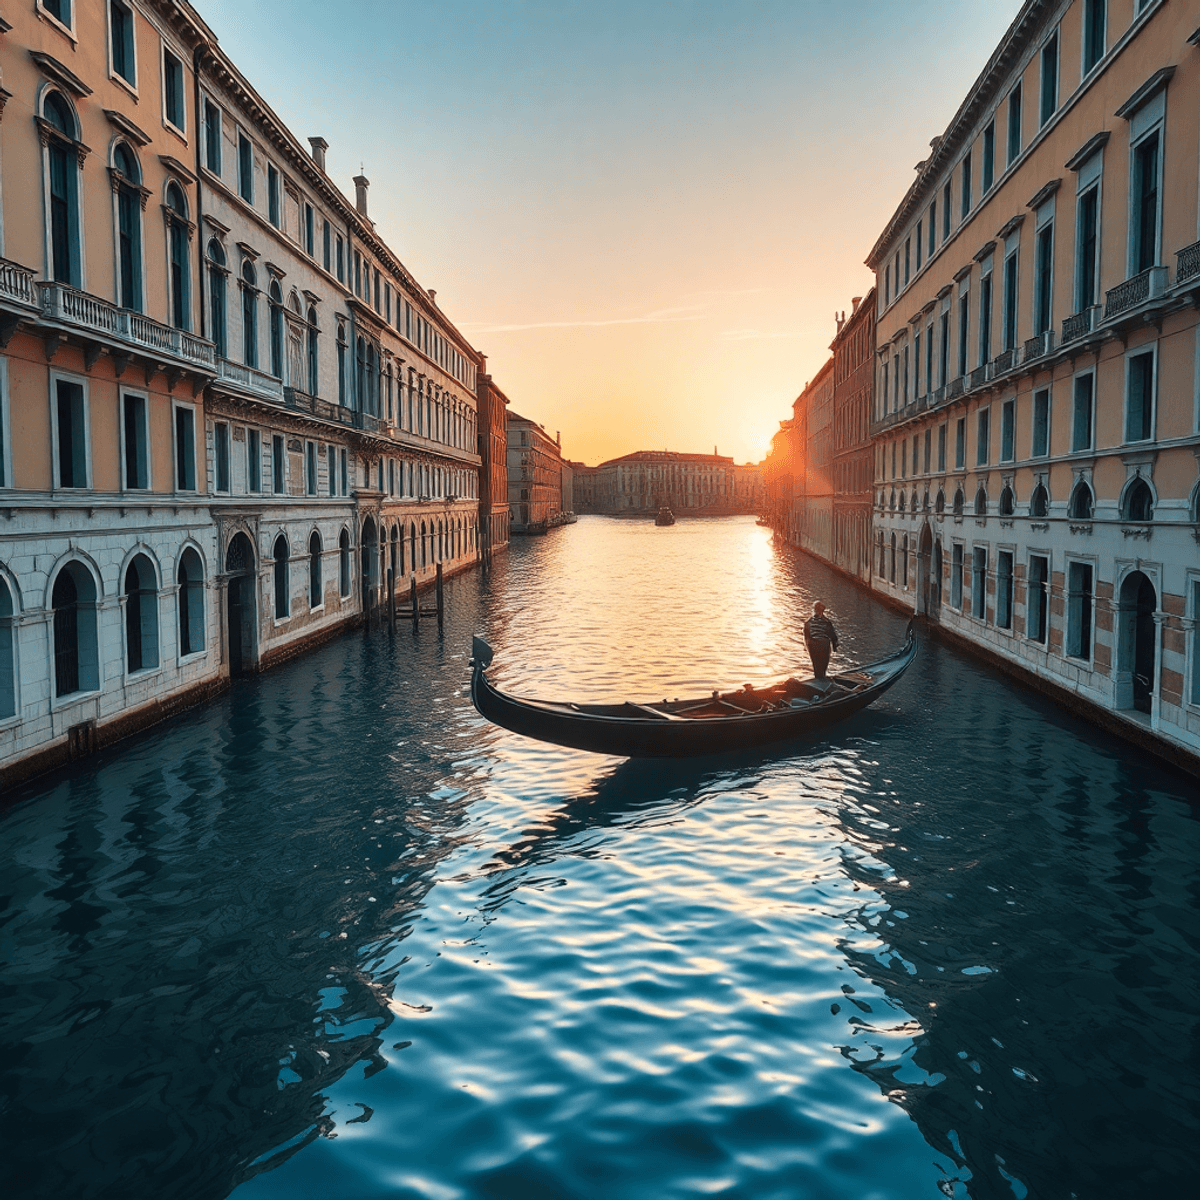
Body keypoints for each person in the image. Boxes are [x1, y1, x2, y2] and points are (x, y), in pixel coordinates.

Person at [803, 602, 839, 680]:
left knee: (816, 667)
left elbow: (806, 637)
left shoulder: (808, 622)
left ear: (814, 610)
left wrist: (806, 647)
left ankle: (818, 680)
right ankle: (822, 680)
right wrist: (835, 647)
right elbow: (832, 635)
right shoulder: (826, 622)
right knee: (823, 668)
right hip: (824, 645)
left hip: (813, 646)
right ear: (823, 611)